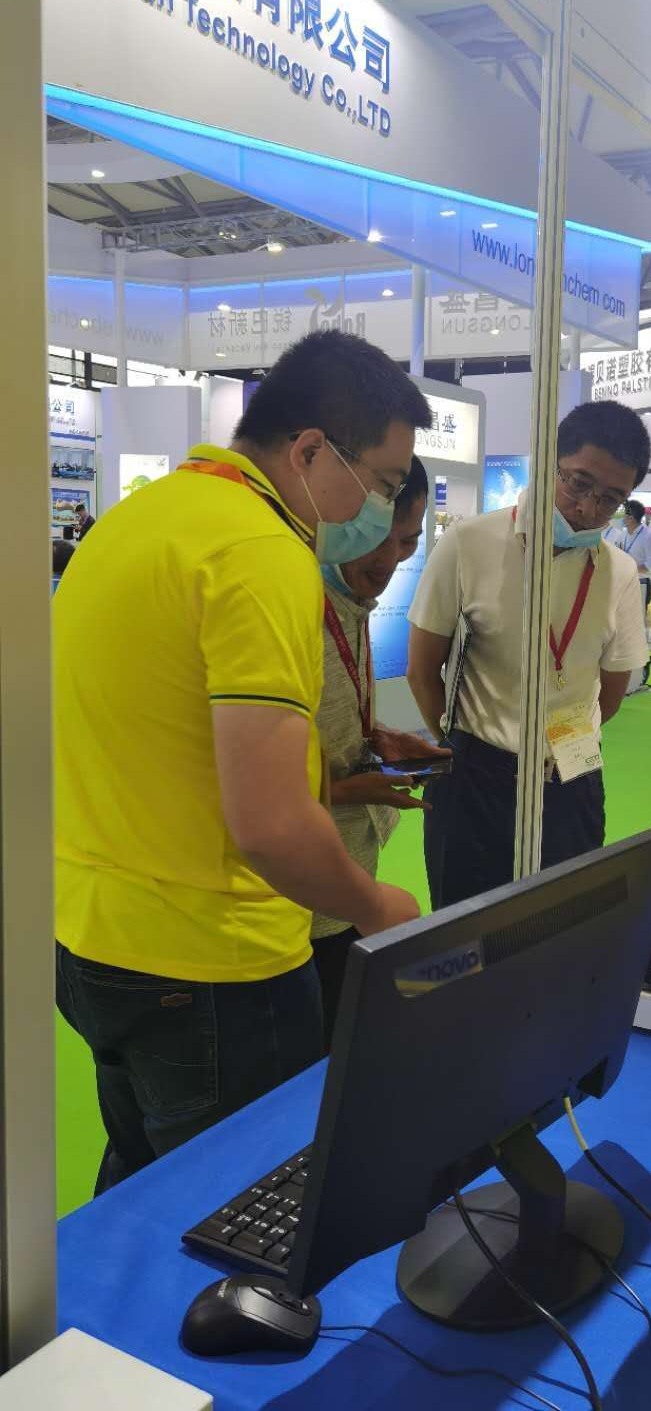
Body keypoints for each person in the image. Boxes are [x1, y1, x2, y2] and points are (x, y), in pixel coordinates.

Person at [53, 329, 432, 1192]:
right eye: (381, 483)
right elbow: (268, 824)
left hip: (89, 940)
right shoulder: (262, 551)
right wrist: (375, 905)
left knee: (141, 1194)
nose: (380, 510)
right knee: (247, 1214)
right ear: (310, 451)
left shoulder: (139, 519)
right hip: (211, 963)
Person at [407, 400, 651, 911]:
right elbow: (422, 670)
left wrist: (560, 745)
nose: (588, 508)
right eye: (578, 483)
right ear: (548, 464)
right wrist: (459, 747)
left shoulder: (620, 573)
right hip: (474, 778)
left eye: (611, 499)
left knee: (562, 929)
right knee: (464, 929)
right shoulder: (469, 543)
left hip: (572, 777)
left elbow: (610, 696)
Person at [312, 455, 447, 1045]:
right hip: (295, 896)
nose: (389, 559)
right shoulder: (289, 605)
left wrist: (375, 738)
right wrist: (346, 789)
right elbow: (233, 779)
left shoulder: (349, 605)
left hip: (344, 876)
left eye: (408, 542)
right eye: (376, 538)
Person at [614, 498, 651, 686]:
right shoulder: (623, 535)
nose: (622, 518)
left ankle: (640, 666)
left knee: (637, 625)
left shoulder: (648, 536)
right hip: (623, 583)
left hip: (641, 583)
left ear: (631, 517)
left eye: (625, 514)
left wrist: (630, 566)